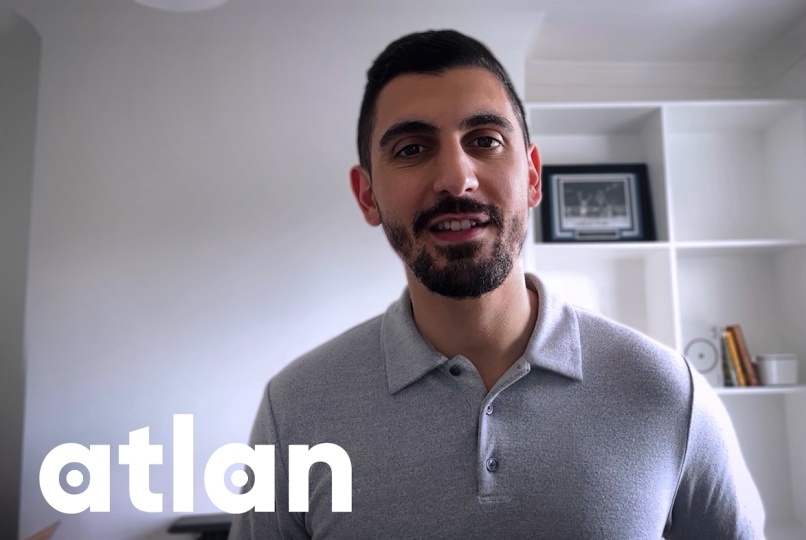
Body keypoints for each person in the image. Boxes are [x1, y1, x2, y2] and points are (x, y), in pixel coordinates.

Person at [230, 29, 764, 539]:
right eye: (412, 149)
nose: (456, 178)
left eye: (485, 140)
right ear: (367, 195)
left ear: (531, 176)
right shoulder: (294, 409)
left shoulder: (668, 391)